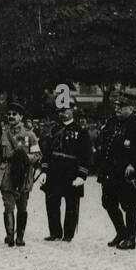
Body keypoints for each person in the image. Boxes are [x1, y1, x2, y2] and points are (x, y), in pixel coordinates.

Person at [97, 92, 136, 250]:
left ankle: (131, 238)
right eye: (116, 106)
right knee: (108, 202)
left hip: (128, 173)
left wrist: (134, 165)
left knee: (130, 206)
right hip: (110, 172)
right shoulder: (112, 122)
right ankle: (121, 231)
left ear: (132, 108)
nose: (117, 109)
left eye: (121, 106)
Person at [40, 101, 93, 243]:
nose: (62, 113)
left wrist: (82, 175)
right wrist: (44, 171)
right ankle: (55, 232)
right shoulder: (54, 130)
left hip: (71, 172)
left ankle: (68, 234)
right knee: (51, 203)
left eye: (65, 110)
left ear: (72, 110)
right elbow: (47, 152)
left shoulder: (81, 131)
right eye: (59, 111)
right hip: (54, 171)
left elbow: (86, 155)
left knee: (71, 204)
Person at [0, 102, 38, 248]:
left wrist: (25, 158)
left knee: (22, 206)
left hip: (23, 175)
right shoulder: (2, 135)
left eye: (14, 114)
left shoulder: (29, 135)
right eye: (9, 114)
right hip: (7, 173)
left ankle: (20, 236)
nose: (11, 117)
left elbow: (37, 154)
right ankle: (10, 235)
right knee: (8, 206)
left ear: (21, 116)